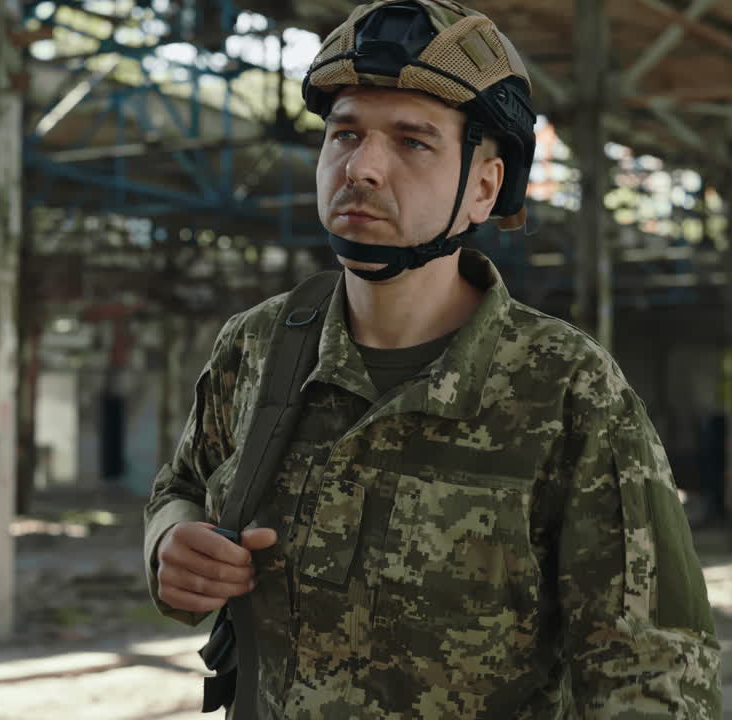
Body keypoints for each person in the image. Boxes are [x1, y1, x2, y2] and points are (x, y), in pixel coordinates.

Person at [142, 0, 721, 717]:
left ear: (484, 187)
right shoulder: (258, 345)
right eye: (345, 134)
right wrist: (172, 543)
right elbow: (182, 485)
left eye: (412, 142)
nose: (362, 167)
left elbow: (655, 669)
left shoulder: (565, 388)